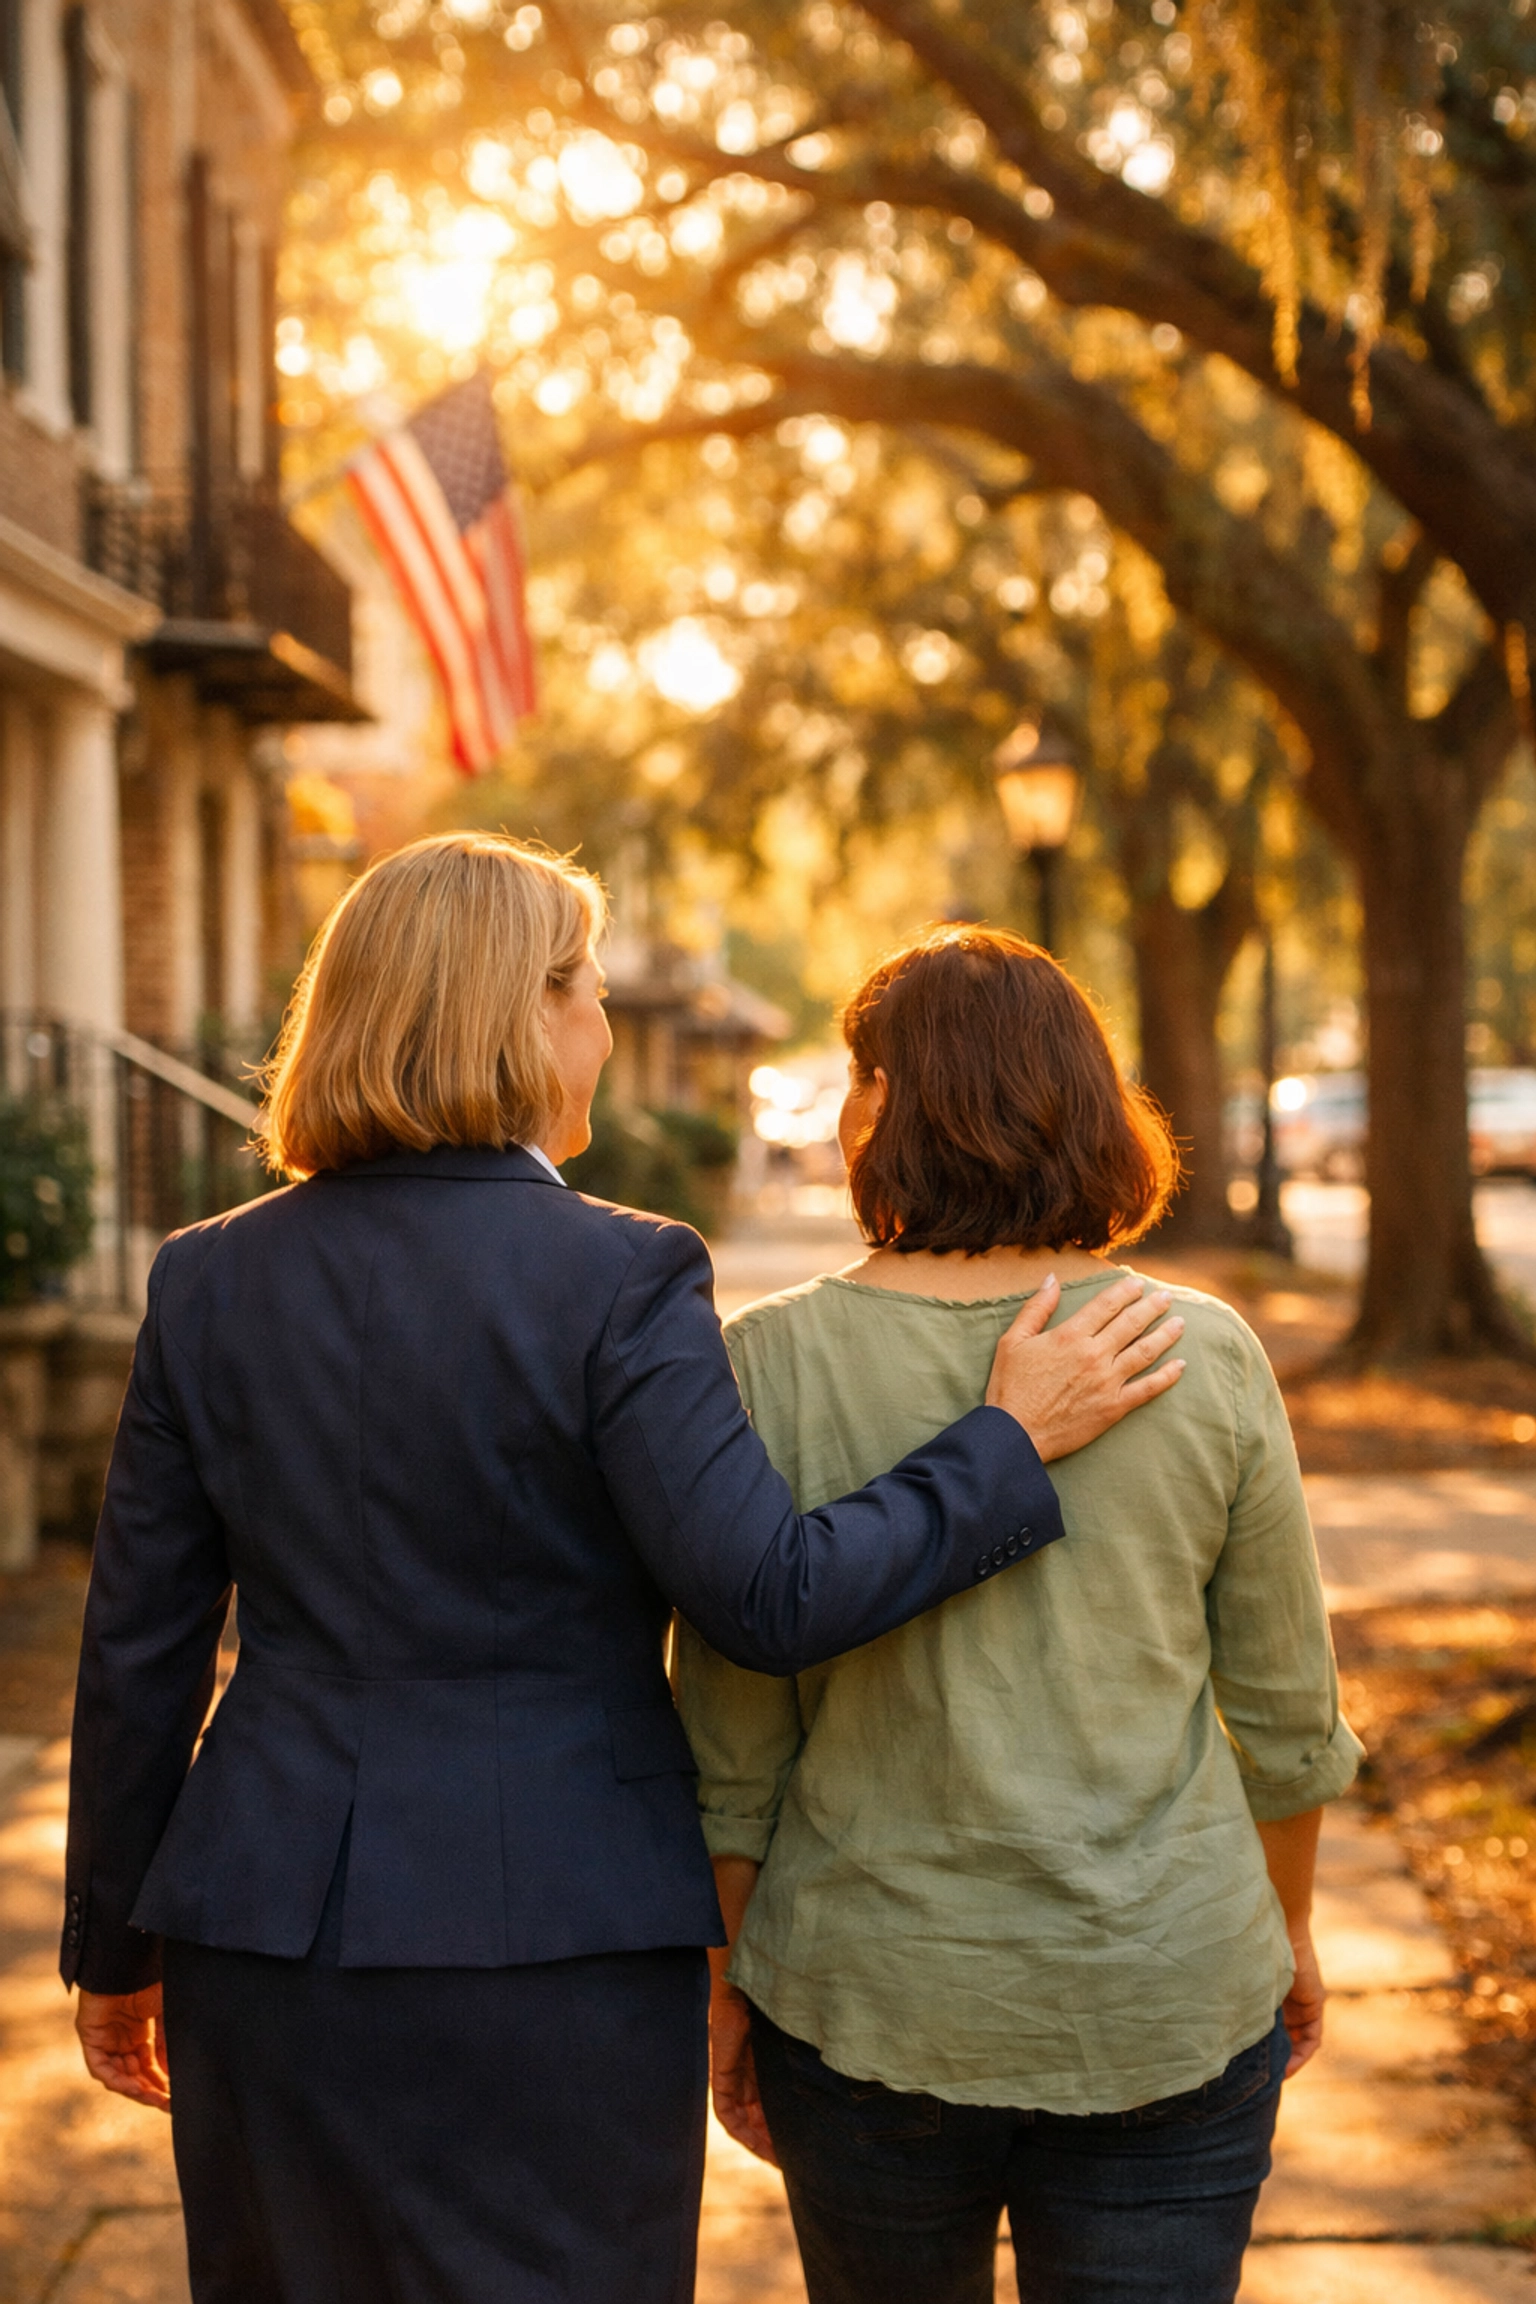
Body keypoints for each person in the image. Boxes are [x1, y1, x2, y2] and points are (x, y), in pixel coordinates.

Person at [62, 838, 1186, 2304]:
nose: (598, 1025)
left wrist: (111, 1941)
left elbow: (138, 1646)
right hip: (568, 1938)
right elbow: (769, 1595)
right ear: (522, 1014)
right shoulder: (622, 1272)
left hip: (270, 1928)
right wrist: (1002, 1444)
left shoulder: (207, 1274)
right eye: (585, 988)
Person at [678, 926, 1364, 2304]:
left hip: (865, 1999)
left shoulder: (766, 1366)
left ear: (882, 1104)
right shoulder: (1202, 1353)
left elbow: (734, 1749)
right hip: (1169, 1992)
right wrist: (1285, 1932)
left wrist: (727, 1988)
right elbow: (1288, 1718)